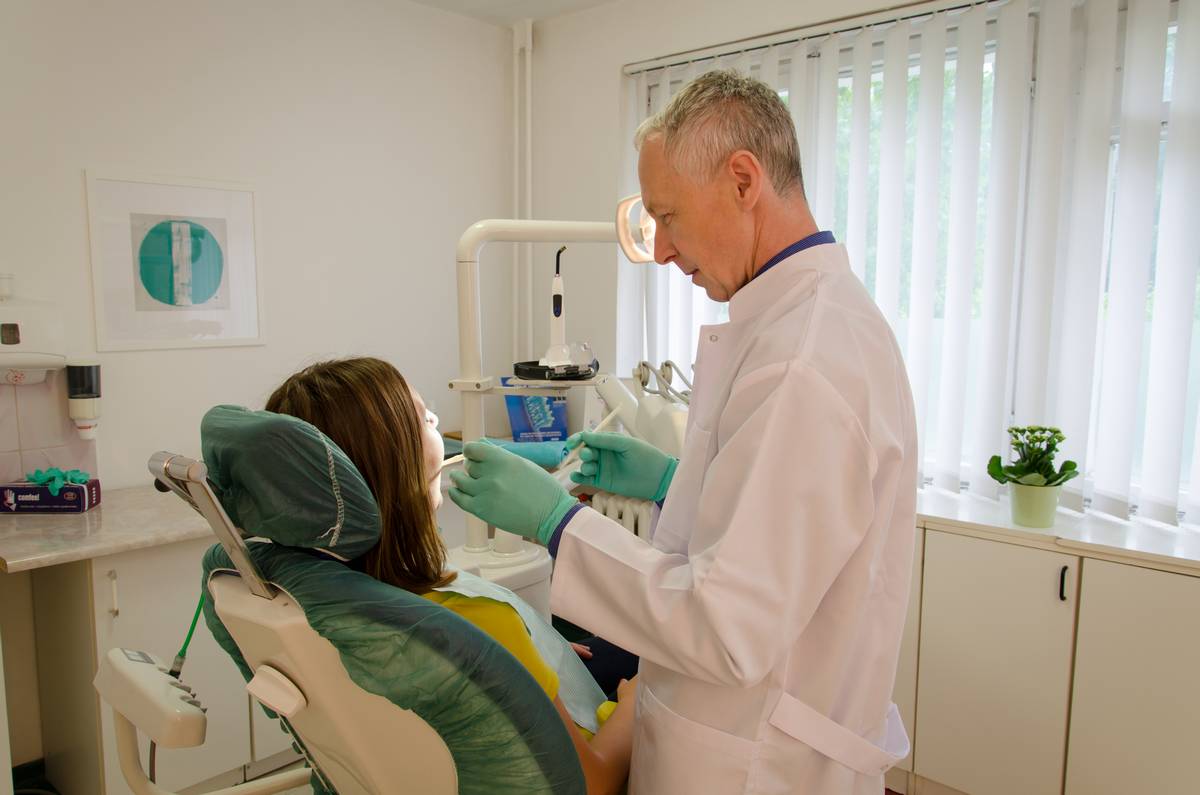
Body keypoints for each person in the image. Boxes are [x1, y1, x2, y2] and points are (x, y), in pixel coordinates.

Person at [449, 70, 917, 794]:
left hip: (755, 761)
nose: (662, 250)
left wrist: (559, 524)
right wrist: (675, 483)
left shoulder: (803, 360)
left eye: (668, 216)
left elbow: (725, 624)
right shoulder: (795, 324)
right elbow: (772, 534)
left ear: (743, 180)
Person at [266, 357, 635, 795]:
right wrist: (637, 706)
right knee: (661, 662)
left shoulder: (327, 597)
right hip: (590, 759)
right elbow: (592, 783)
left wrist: (529, 649)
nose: (437, 419)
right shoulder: (478, 625)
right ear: (392, 463)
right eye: (422, 416)